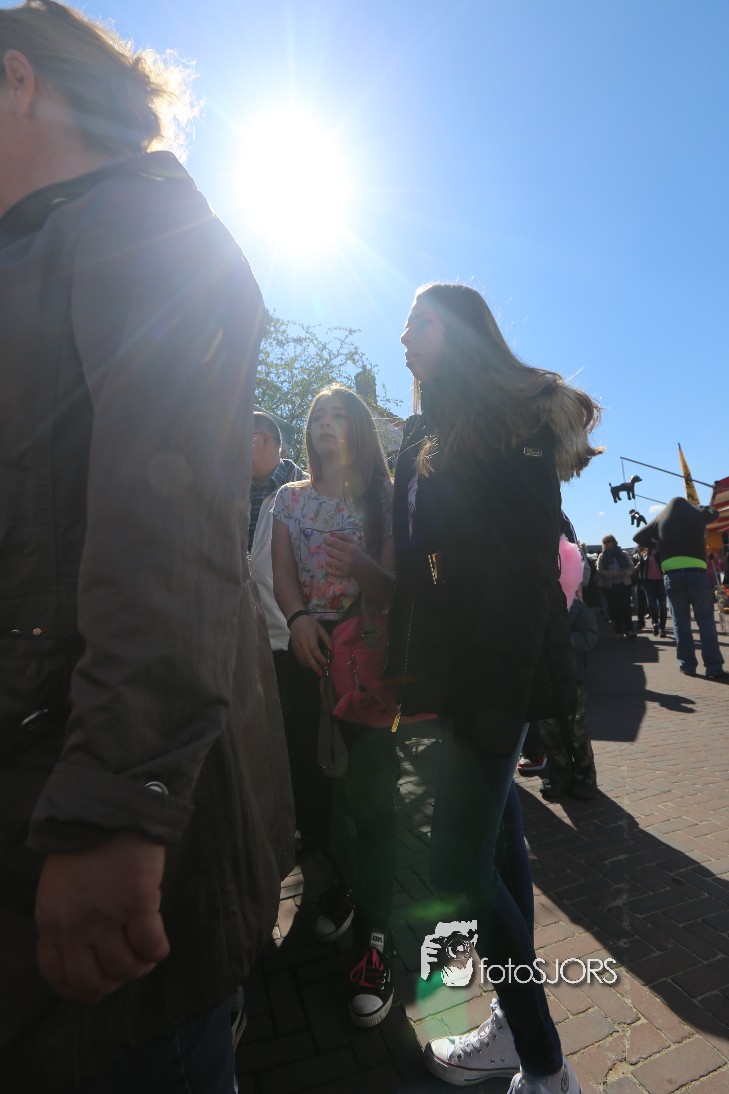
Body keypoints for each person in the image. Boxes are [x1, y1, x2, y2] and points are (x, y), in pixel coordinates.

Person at [0, 3, 294, 1090]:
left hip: (98, 853)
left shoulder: (142, 223)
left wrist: (115, 807)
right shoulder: (44, 247)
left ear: (18, 81)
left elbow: (167, 531)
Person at [386, 283, 602, 1093]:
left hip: (489, 675)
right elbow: (423, 561)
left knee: (452, 869)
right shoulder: (423, 432)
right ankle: (518, 1033)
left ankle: (545, 1068)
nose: (403, 335)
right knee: (500, 854)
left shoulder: (513, 422)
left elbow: (520, 571)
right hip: (442, 672)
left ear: (462, 331)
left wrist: (493, 694)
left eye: (420, 321)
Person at [271, 384, 398, 1027]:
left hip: (366, 659)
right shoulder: (288, 499)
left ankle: (376, 941)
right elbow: (280, 572)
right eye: (316, 415)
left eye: (338, 414)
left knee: (373, 802)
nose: (325, 422)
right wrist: (296, 618)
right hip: (305, 659)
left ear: (359, 429)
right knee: (317, 798)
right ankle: (344, 886)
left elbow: (397, 586)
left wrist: (367, 568)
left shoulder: (383, 497)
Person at [634, 497, 726, 680]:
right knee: (706, 621)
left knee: (680, 622)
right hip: (697, 573)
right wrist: (698, 507)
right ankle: (714, 667)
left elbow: (638, 537)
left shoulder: (661, 517)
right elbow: (714, 512)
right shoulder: (697, 514)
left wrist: (658, 545)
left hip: (672, 576)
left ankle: (687, 665)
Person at [538, 539, 599, 802]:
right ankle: (560, 777)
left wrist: (564, 641)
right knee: (550, 731)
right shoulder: (538, 608)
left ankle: (585, 779)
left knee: (576, 731)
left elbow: (590, 637)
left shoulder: (578, 608)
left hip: (573, 678)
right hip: (545, 678)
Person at [248, 411, 305, 550]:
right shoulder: (234, 491)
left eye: (240, 440)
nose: (234, 449)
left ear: (265, 440)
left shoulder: (310, 491)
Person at [596, 535, 636, 638]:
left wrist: (626, 572)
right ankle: (619, 630)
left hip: (624, 583)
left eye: (608, 541)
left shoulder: (623, 553)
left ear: (613, 542)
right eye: (604, 542)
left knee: (626, 606)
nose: (606, 543)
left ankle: (629, 630)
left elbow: (631, 567)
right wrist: (615, 574)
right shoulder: (602, 556)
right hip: (610, 586)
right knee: (615, 608)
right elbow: (600, 571)